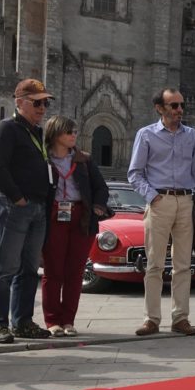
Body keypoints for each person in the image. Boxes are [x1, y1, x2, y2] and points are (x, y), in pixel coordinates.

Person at [128, 88, 195, 337]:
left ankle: (180, 318)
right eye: (174, 106)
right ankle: (151, 319)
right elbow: (134, 173)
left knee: (183, 264)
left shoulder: (192, 135)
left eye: (181, 105)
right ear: (160, 108)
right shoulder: (146, 135)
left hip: (186, 201)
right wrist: (153, 196)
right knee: (154, 264)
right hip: (159, 201)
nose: (179, 110)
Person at [0, 78, 56, 343]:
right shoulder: (8, 128)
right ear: (19, 103)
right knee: (6, 267)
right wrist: (17, 198)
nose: (42, 107)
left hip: (37, 206)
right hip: (17, 206)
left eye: (45, 103)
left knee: (29, 269)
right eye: (37, 102)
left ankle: (23, 321)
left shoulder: (37, 132)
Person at [41, 115, 110, 337]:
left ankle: (68, 320)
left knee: (75, 272)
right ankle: (52, 321)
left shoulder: (84, 159)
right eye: (69, 131)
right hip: (53, 215)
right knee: (53, 271)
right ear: (55, 134)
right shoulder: (43, 159)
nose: (74, 135)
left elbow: (100, 187)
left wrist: (98, 207)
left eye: (75, 132)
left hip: (81, 216)